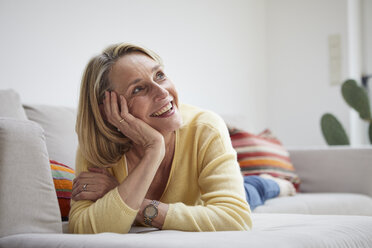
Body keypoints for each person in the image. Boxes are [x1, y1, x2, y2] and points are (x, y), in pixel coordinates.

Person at [69, 43, 293, 234]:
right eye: (138, 89)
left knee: (253, 190)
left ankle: (273, 183)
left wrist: (123, 198)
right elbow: (81, 227)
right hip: (193, 210)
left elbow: (235, 217)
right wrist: (154, 149)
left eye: (160, 75)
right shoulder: (98, 145)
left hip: (207, 201)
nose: (162, 92)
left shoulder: (205, 127)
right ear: (107, 110)